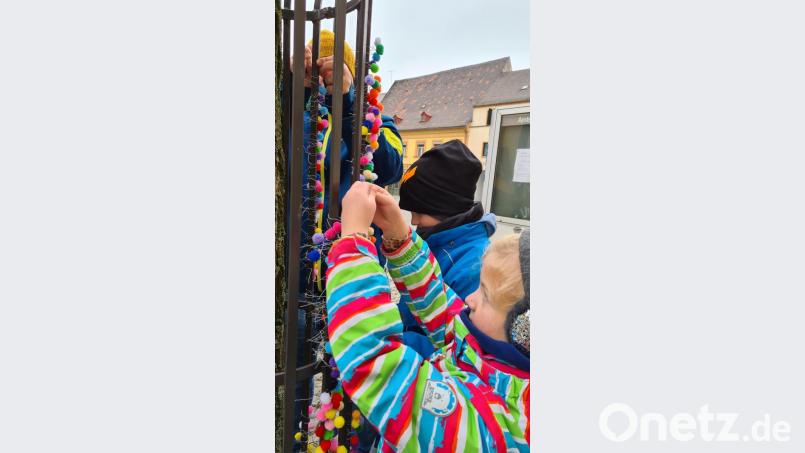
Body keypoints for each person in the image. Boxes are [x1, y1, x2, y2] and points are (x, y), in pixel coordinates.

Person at [325, 182, 530, 451]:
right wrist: (400, 239)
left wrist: (354, 245)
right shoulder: (497, 355)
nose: (470, 299)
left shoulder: (490, 429)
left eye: (485, 294)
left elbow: (376, 362)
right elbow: (442, 308)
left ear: (524, 328)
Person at [286, 30, 404, 451]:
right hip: (297, 271)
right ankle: (293, 439)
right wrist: (292, 91)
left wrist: (352, 100)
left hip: (348, 270)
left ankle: (345, 438)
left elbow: (390, 162)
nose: (324, 83)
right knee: (295, 368)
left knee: (349, 370)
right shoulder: (298, 110)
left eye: (333, 74)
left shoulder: (373, 116)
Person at [396, 139, 496, 357]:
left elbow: (458, 346)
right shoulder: (437, 241)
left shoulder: (473, 265)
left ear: (443, 207)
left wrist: (392, 343)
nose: (414, 222)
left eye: (419, 212)